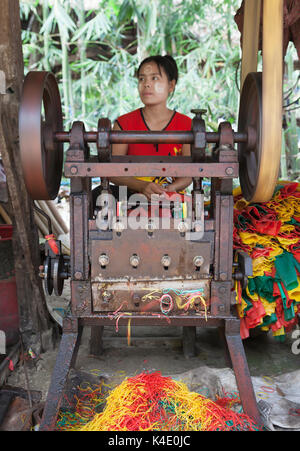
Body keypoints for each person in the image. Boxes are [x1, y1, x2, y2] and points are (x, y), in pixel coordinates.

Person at [109, 55, 192, 201]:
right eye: (141, 79)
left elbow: (188, 175)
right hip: (131, 200)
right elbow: (113, 172)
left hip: (172, 201)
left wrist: (169, 189)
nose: (146, 84)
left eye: (154, 78)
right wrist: (141, 186)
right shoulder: (123, 124)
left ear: (171, 86)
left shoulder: (186, 125)